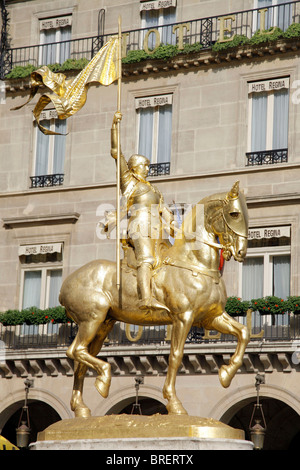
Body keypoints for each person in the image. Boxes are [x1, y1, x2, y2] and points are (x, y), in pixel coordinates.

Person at [107, 111, 176, 311]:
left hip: (158, 229)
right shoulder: (129, 182)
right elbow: (116, 152)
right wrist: (114, 127)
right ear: (134, 167)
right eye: (144, 165)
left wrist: (172, 225)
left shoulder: (154, 189)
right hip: (140, 225)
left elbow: (163, 209)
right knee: (146, 259)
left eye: (147, 165)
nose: (147, 169)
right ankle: (145, 298)